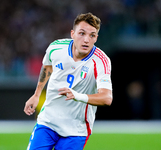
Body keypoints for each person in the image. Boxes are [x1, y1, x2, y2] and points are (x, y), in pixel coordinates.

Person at [24, 12, 113, 150]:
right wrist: (36, 95)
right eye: (82, 33)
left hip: (76, 130)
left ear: (96, 38)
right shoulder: (56, 48)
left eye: (92, 35)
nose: (86, 40)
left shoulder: (101, 61)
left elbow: (107, 98)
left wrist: (77, 96)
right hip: (48, 121)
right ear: (72, 34)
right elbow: (47, 67)